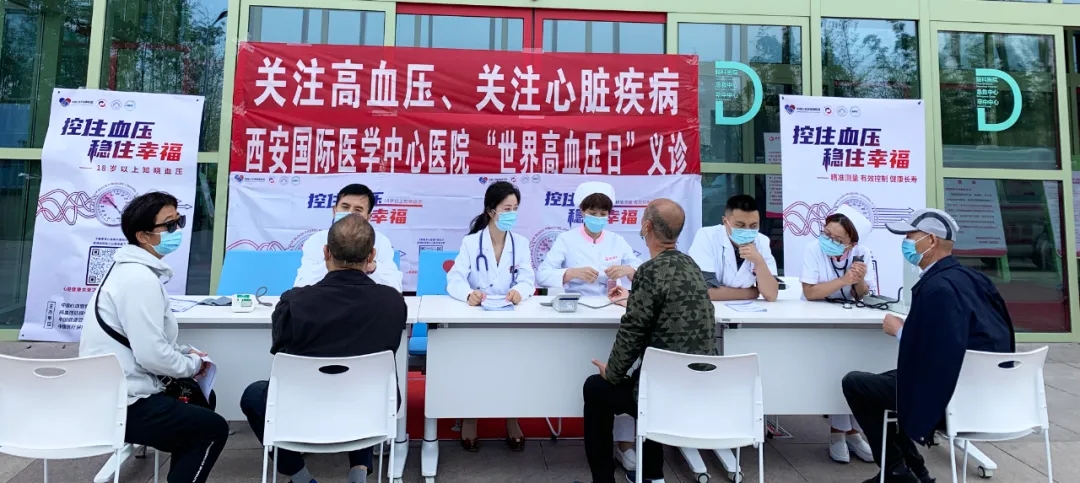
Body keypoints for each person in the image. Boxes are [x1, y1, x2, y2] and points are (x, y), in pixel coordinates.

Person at [842, 208, 1016, 483]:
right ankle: (913, 470)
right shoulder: (975, 279)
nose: (905, 244)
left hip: (951, 394)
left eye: (910, 237)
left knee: (857, 384)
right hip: (989, 392)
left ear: (931, 241)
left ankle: (897, 472)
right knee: (890, 384)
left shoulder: (938, 288)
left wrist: (900, 331)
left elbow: (940, 353)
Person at [241, 214, 408, 483]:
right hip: (373, 409)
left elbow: (280, 350)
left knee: (253, 396)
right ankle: (359, 470)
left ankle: (301, 477)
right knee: (367, 382)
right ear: (371, 256)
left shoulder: (294, 303)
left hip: (303, 408)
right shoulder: (393, 303)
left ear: (326, 253)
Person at [79, 191, 229, 483]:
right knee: (212, 429)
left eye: (179, 221)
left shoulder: (133, 272)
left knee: (200, 400)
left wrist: (184, 353)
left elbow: (148, 341)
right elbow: (152, 355)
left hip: (118, 391)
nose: (177, 231)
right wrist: (194, 365)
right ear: (143, 236)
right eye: (169, 225)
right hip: (124, 403)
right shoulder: (138, 279)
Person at [575, 199, 717, 483]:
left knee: (597, 388)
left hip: (663, 389)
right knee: (648, 376)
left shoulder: (650, 270)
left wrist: (612, 372)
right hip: (697, 384)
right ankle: (652, 476)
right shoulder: (691, 265)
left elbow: (633, 331)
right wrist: (633, 299)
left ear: (647, 226)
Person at [537, 181, 642, 471]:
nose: (598, 217)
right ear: (582, 212)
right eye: (593, 212)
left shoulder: (617, 241)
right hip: (576, 313)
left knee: (621, 376)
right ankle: (599, 441)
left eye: (603, 213)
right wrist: (571, 273)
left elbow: (641, 272)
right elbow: (543, 274)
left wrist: (627, 270)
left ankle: (624, 443)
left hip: (614, 314)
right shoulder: (567, 240)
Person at [446, 180, 536, 452]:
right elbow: (455, 279)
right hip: (477, 318)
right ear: (491, 211)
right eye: (507, 208)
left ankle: (511, 417)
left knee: (513, 367)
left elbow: (528, 279)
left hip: (510, 317)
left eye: (515, 208)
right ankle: (470, 417)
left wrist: (520, 291)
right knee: (475, 367)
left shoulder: (520, 243)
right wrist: (468, 294)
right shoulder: (471, 242)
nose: (512, 214)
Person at [799, 204, 877, 464]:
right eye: (826, 234)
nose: (829, 241)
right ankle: (839, 433)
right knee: (836, 371)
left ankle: (851, 433)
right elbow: (810, 292)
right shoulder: (813, 249)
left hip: (850, 321)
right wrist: (844, 280)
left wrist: (859, 280)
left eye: (837, 239)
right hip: (817, 321)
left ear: (852, 243)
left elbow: (863, 294)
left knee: (854, 370)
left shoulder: (862, 253)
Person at [295, 183, 403, 291]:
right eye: (345, 207)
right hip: (326, 297)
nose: (350, 214)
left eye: (358, 210)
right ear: (334, 210)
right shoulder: (316, 240)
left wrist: (373, 268)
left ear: (368, 217)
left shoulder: (380, 242)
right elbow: (301, 286)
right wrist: (333, 263)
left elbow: (395, 289)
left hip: (365, 297)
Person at [688, 194, 779, 301]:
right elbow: (704, 291)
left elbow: (771, 295)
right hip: (713, 309)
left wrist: (759, 261)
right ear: (725, 222)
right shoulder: (707, 236)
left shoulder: (762, 241)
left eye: (753, 225)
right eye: (740, 225)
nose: (747, 230)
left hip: (749, 309)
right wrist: (750, 293)